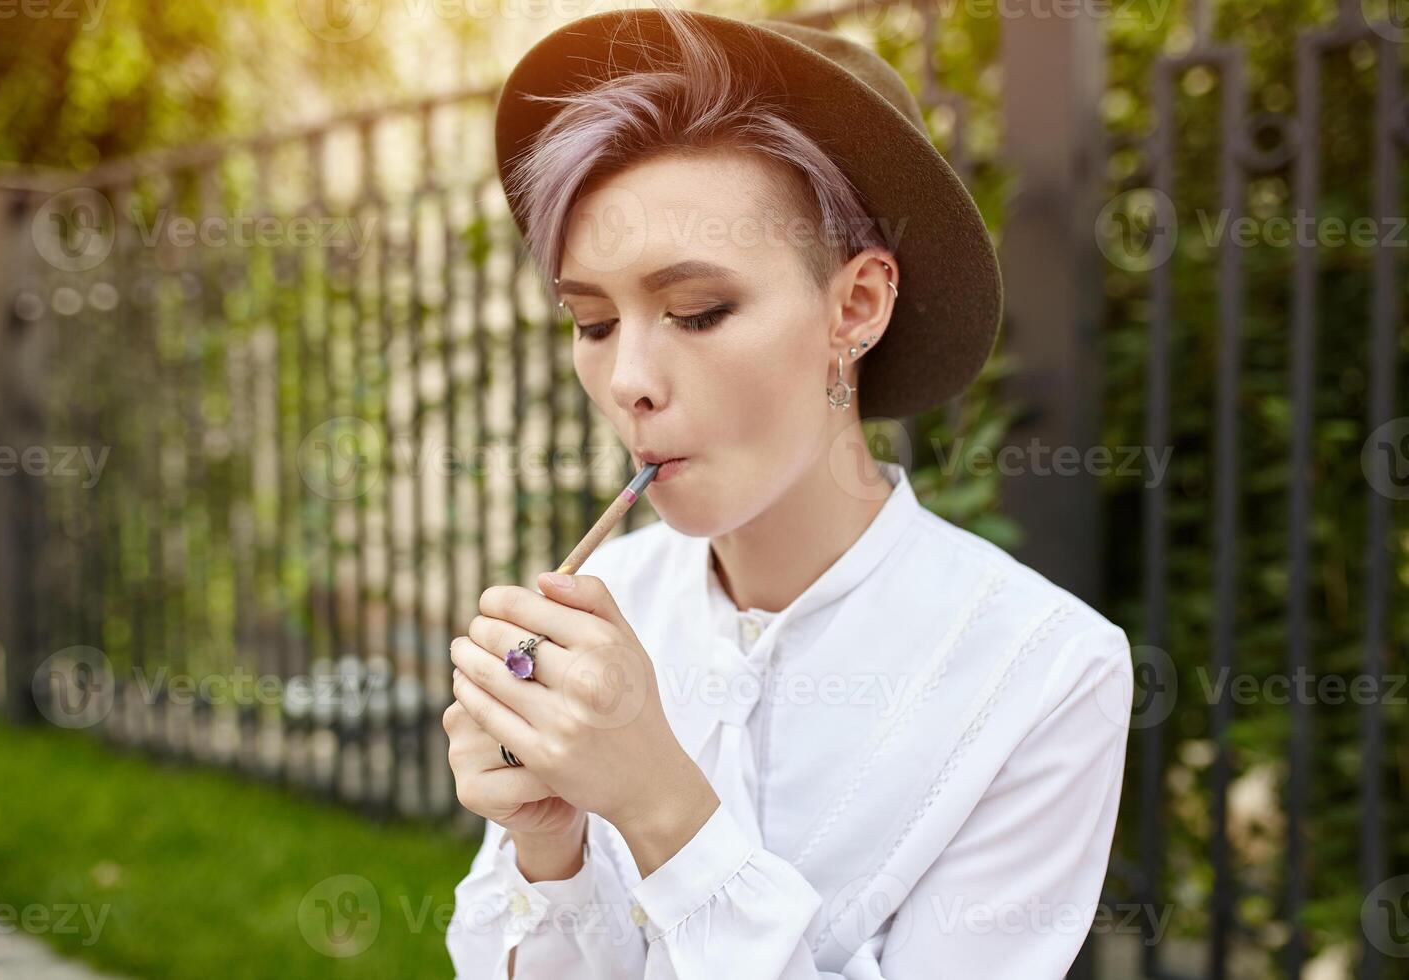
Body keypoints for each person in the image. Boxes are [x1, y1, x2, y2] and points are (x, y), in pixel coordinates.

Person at [443, 4, 1134, 977]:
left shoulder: (1045, 674)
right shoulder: (603, 618)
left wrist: (661, 807)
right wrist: (546, 848)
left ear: (855, 305)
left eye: (697, 309)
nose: (630, 376)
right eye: (592, 321)